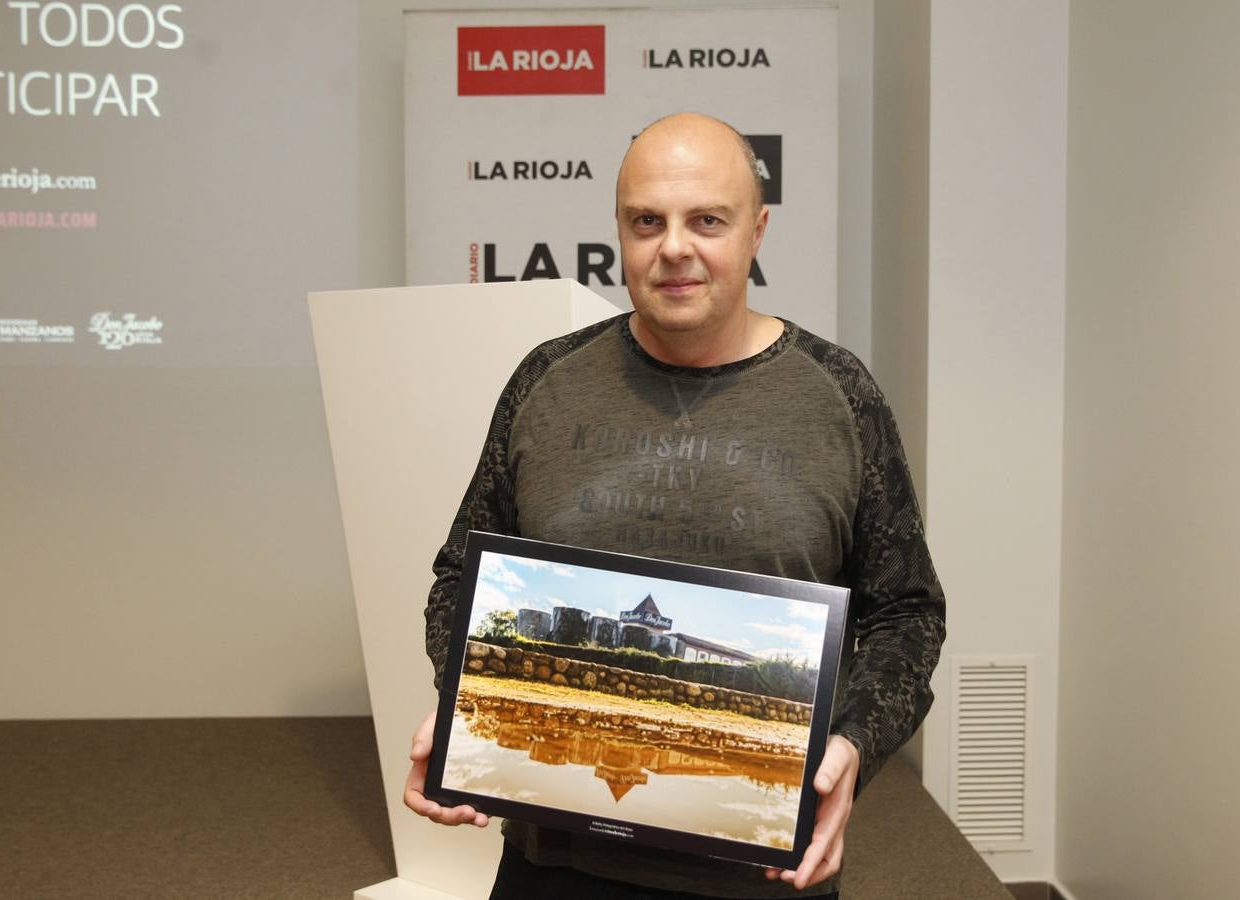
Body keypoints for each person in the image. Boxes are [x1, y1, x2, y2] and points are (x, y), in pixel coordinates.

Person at [403, 112, 946, 899]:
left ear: (757, 231)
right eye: (647, 221)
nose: (675, 248)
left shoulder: (843, 397)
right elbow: (461, 577)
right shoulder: (545, 383)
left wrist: (854, 743)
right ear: (619, 231)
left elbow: (907, 613)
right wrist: (467, 694)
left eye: (708, 221)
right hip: (556, 865)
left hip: (763, 869)